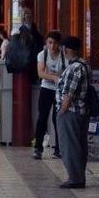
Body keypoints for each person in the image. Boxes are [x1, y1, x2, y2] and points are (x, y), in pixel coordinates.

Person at [55, 36, 90, 189]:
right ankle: (78, 176)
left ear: (65, 49)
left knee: (70, 145)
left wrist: (61, 112)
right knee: (78, 144)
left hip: (71, 112)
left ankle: (75, 178)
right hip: (80, 111)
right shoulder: (84, 65)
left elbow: (68, 94)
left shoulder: (74, 68)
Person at [33, 31, 65, 160]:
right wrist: (54, 77)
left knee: (57, 119)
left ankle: (58, 149)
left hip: (59, 90)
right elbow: (40, 73)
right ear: (46, 43)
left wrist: (58, 79)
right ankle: (38, 148)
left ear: (59, 44)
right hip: (46, 89)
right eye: (49, 43)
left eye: (55, 43)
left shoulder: (63, 56)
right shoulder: (42, 54)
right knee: (42, 118)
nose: (52, 46)